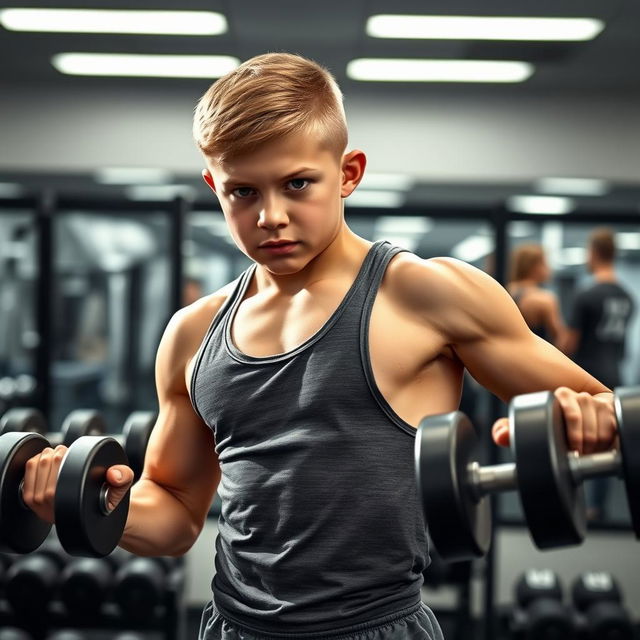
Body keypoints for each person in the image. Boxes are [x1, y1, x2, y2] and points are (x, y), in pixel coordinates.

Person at [23, 53, 618, 640]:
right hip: (233, 629)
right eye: (243, 193)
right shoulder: (192, 333)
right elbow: (177, 513)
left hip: (378, 627)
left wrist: (586, 418)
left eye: (298, 184)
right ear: (214, 187)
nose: (270, 217)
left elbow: (600, 410)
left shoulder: (426, 293)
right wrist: (84, 499)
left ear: (349, 173)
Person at [564, 227, 635, 521]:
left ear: (594, 253)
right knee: (606, 442)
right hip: (614, 376)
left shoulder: (587, 294)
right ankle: (597, 507)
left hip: (585, 375)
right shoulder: (627, 296)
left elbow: (569, 344)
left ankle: (575, 504)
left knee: (576, 439)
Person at [507, 244, 567, 347]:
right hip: (533, 358)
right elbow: (561, 339)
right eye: (545, 263)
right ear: (535, 267)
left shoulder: (504, 291)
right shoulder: (544, 299)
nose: (549, 268)